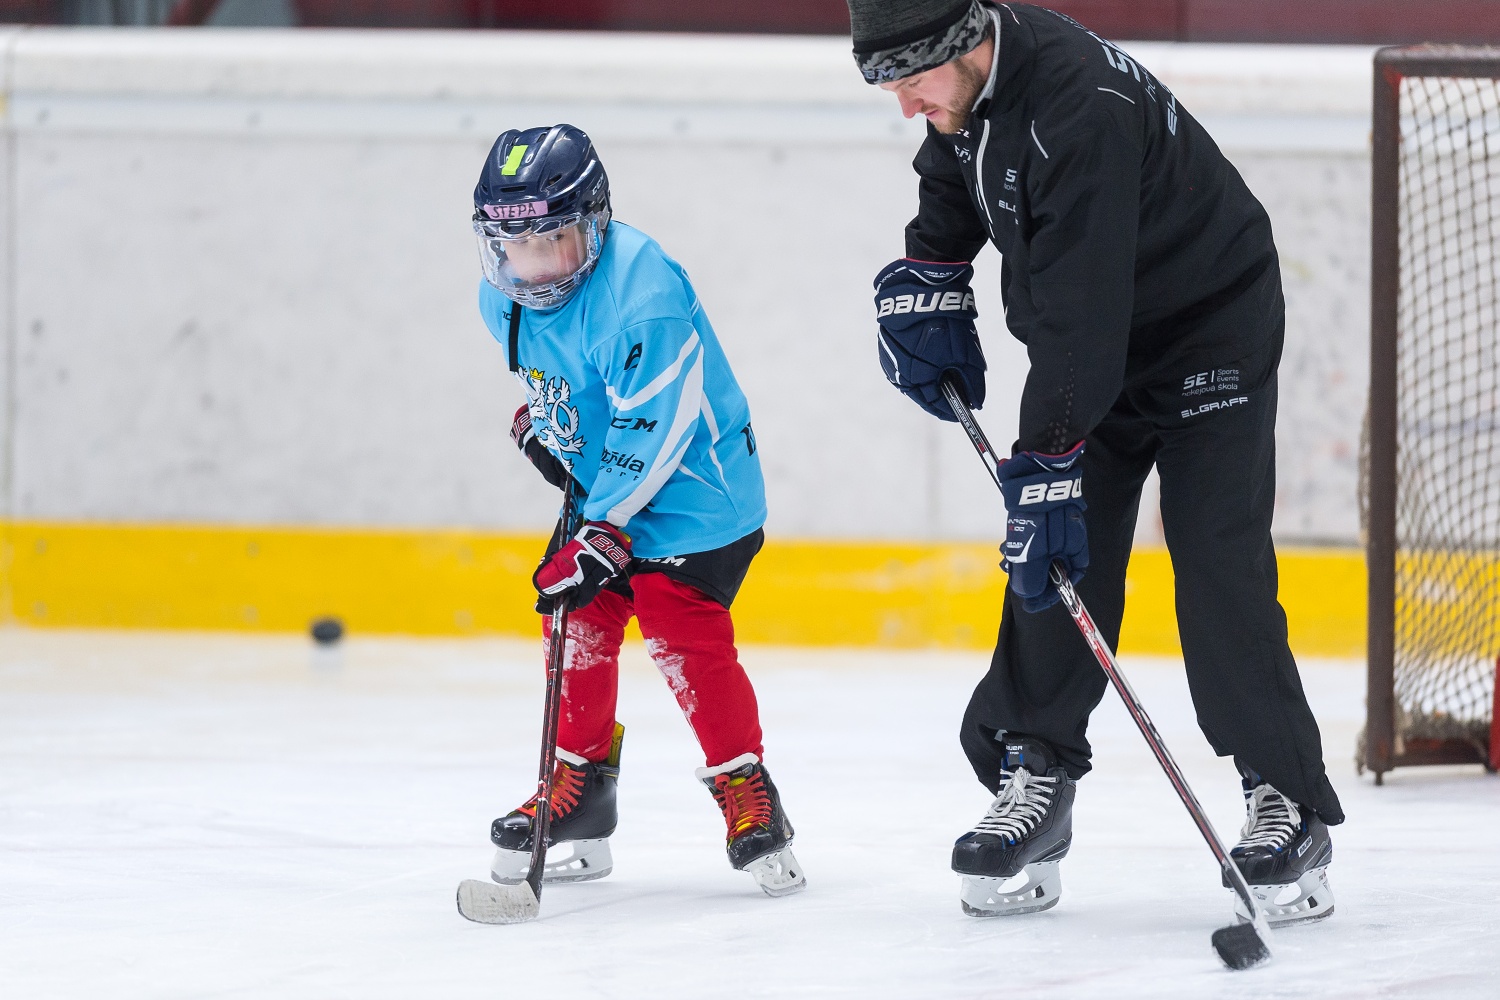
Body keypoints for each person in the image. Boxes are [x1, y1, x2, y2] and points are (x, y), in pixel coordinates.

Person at [846, 0, 1342, 923]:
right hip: (1098, 340)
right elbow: (956, 166)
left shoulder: (1081, 108)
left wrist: (1047, 463)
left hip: (1207, 329)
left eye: (910, 80)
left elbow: (1084, 316)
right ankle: (1034, 767)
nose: (906, 105)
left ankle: (1286, 796)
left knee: (1214, 552)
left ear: (961, 45)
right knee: (1052, 559)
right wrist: (931, 270)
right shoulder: (972, 90)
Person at [470, 123, 804, 898]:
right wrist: (548, 429)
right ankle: (580, 788)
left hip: (696, 497)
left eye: (553, 240)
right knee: (575, 621)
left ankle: (746, 792)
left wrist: (599, 534)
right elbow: (565, 380)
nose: (533, 264)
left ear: (593, 222)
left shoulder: (642, 297)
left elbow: (653, 425)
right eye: (513, 245)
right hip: (608, 496)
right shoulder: (504, 299)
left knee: (675, 623)